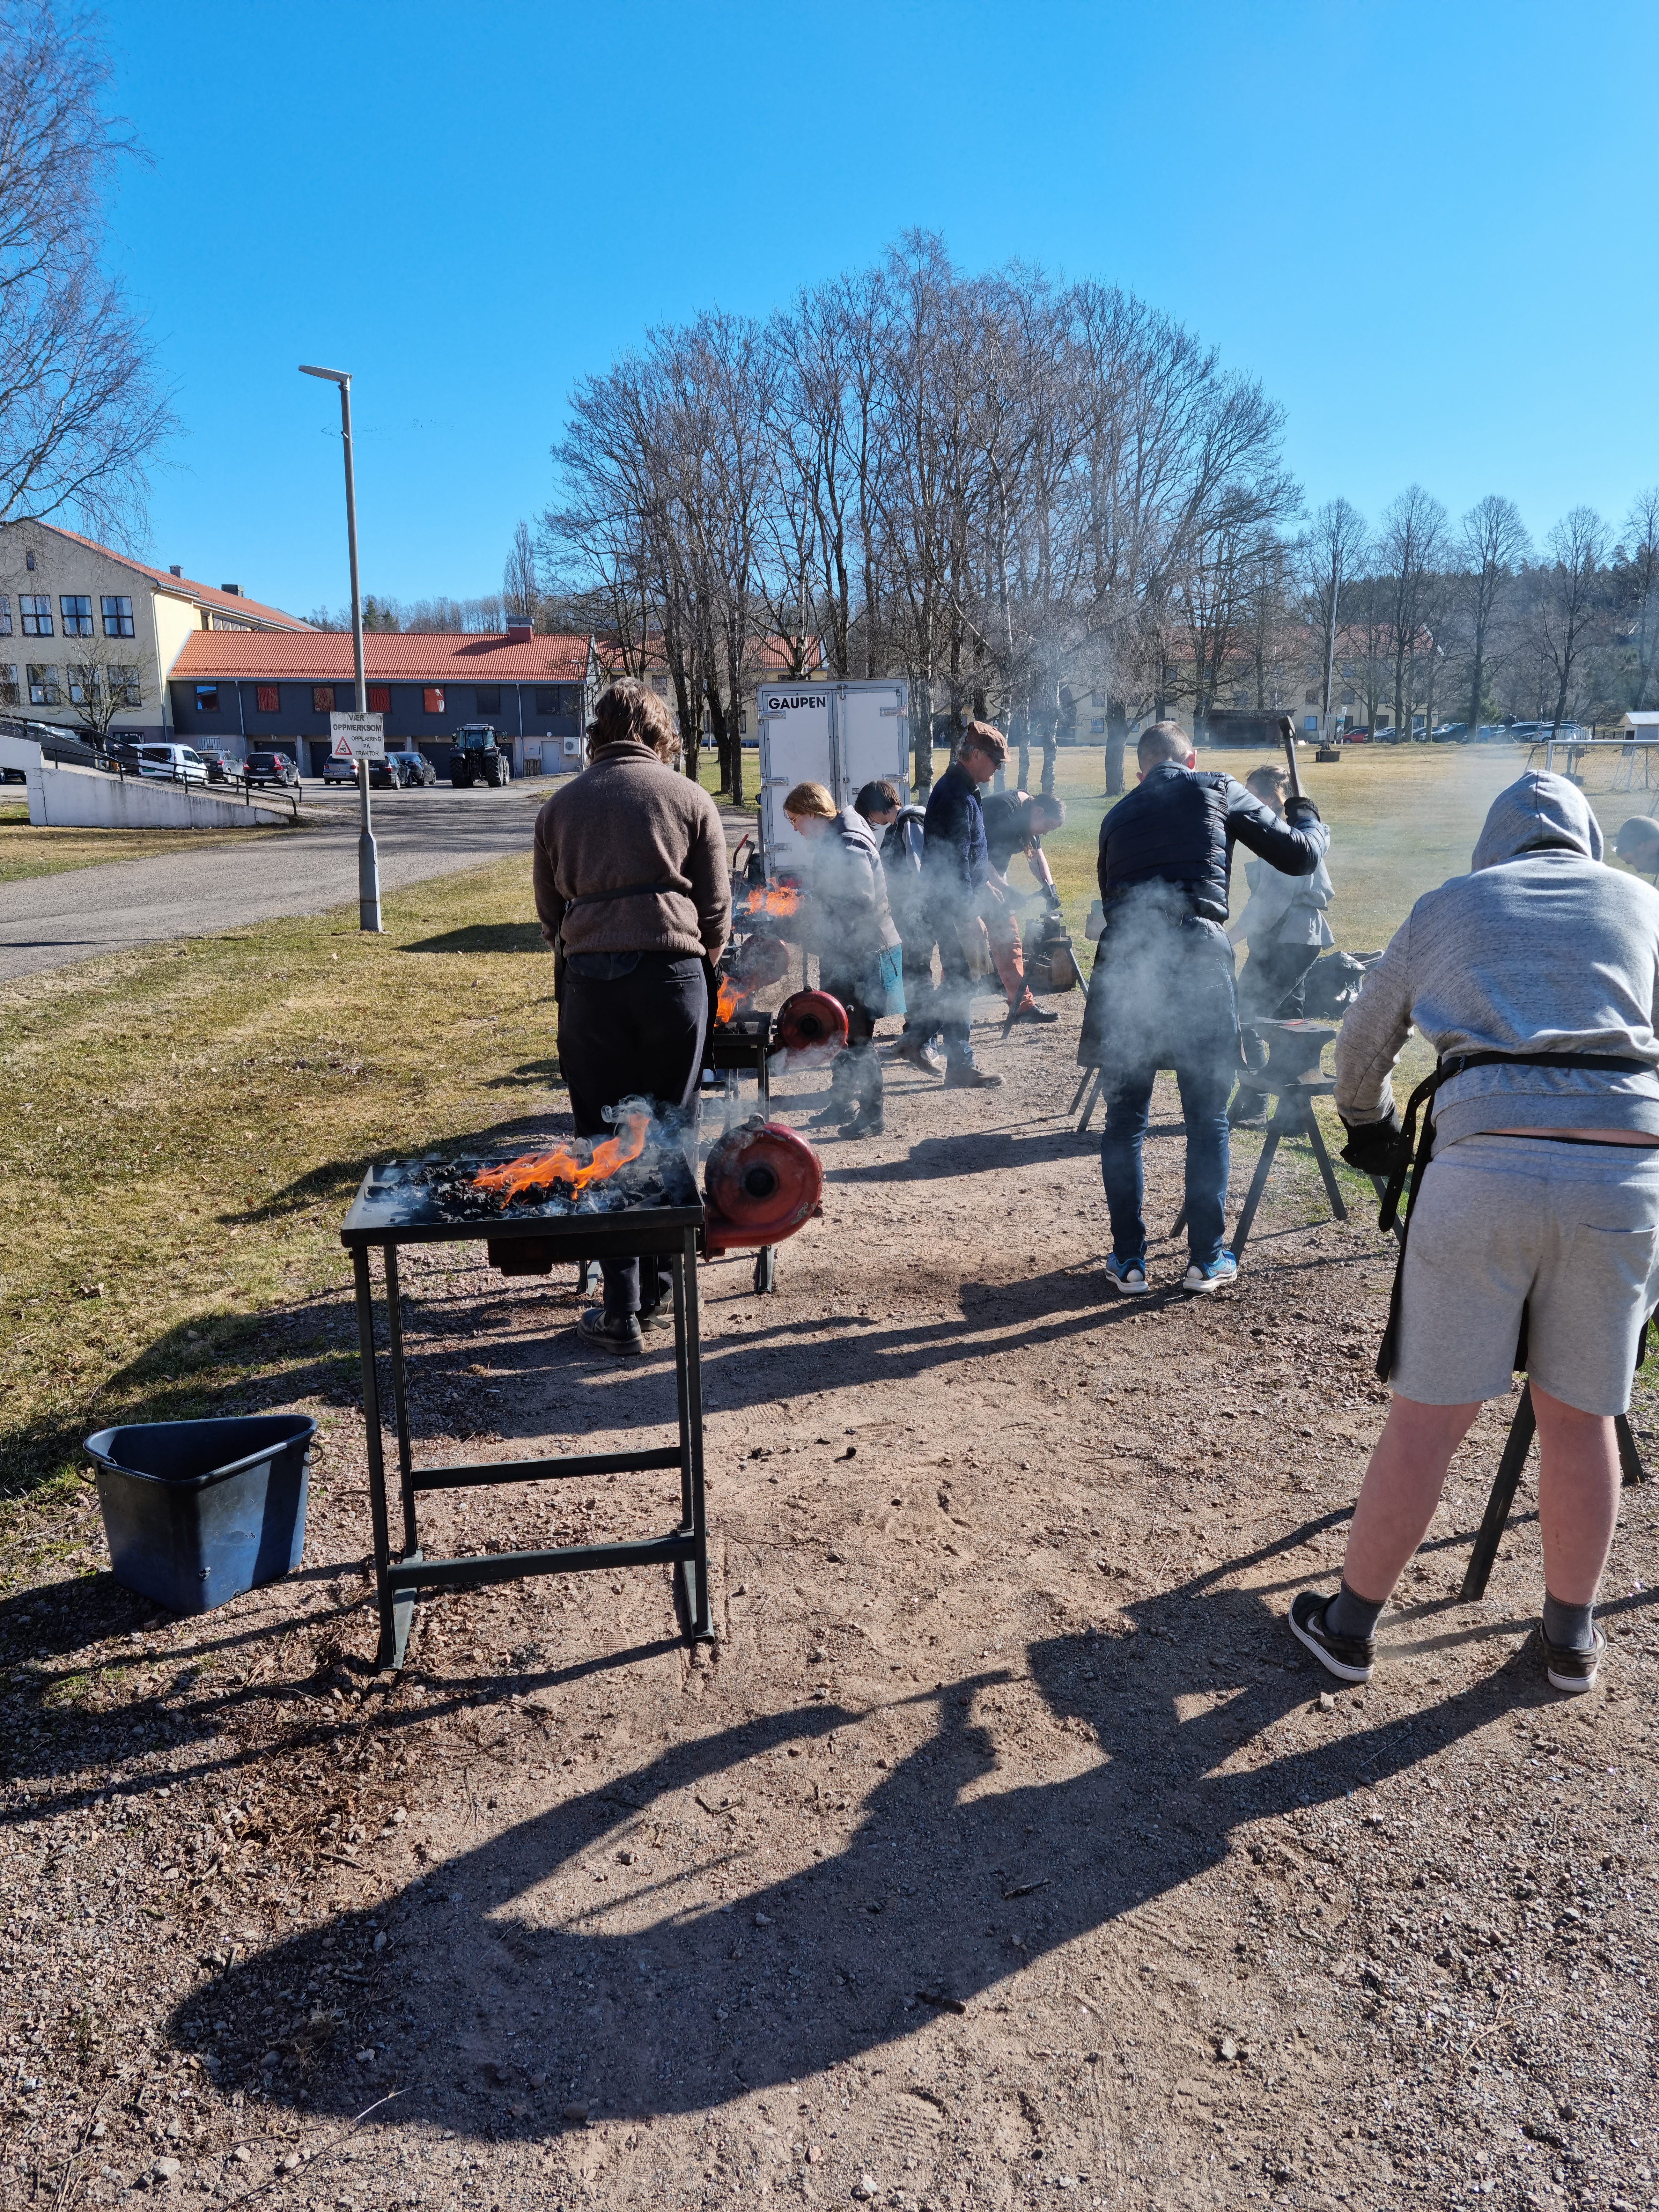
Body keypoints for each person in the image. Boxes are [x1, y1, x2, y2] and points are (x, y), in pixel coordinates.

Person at [1294, 771, 1659, 1696]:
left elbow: (1361, 1038)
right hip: (1620, 1179)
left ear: (1492, 850)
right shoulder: (1642, 903)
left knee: (1427, 1421)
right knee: (1583, 1420)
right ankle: (1569, 1641)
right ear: (1586, 844)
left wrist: (1369, 1123)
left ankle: (1348, 1629)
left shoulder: (1448, 904)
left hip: (1481, 1168)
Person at [1085, 720, 1328, 1294]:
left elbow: (1110, 898)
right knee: (1207, 1117)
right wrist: (1308, 815)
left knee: (1124, 1121)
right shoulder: (1216, 787)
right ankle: (1205, 1259)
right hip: (1197, 954)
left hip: (1126, 960)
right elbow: (1299, 859)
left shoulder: (1116, 815)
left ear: (1141, 770)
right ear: (1190, 759)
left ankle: (1128, 1261)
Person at [531, 679, 730, 1356]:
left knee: (604, 1142)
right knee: (671, 1132)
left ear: (599, 732)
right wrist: (702, 958)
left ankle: (621, 1311)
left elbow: (549, 910)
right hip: (673, 979)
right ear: (658, 732)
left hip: (591, 983)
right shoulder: (689, 797)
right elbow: (715, 911)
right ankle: (667, 1288)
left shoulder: (561, 805)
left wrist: (587, 940)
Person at [780, 780, 902, 1136]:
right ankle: (842, 1102)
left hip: (864, 953)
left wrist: (814, 915)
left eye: (794, 821)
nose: (795, 830)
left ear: (811, 814)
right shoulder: (835, 837)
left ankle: (873, 1115)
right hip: (847, 951)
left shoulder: (847, 841)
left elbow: (860, 901)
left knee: (859, 1035)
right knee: (838, 1030)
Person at [1225, 763, 1336, 1125]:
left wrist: (1231, 938)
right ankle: (1293, 1115)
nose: (1247, 803)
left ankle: (1256, 1104)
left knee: (1247, 1014)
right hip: (1296, 938)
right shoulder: (1303, 830)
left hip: (1288, 938)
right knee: (1290, 1021)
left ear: (1273, 796)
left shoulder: (1287, 835)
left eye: (1253, 795)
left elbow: (1272, 901)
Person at [920, 721, 1006, 1089]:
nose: (998, 769)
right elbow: (953, 863)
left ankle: (951, 1057)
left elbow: (971, 851)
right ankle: (924, 1042)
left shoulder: (964, 788)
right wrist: (971, 914)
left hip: (954, 903)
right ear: (975, 756)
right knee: (963, 981)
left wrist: (987, 884)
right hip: (954, 906)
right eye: (995, 762)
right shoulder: (956, 794)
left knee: (962, 980)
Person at [856, 778, 942, 1075]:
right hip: (906, 916)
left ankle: (927, 1041)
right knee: (909, 978)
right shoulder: (899, 826)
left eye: (871, 815)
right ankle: (912, 1035)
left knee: (921, 976)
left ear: (879, 809)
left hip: (917, 917)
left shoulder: (910, 821)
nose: (872, 822)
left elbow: (919, 871)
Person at [979, 789, 1067, 1024]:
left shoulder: (1030, 816)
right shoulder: (1004, 810)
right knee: (969, 945)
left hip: (993, 878)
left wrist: (1051, 888)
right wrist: (1006, 890)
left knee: (1009, 939)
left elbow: (1036, 857)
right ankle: (945, 1012)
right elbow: (977, 856)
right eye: (1047, 826)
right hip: (966, 877)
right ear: (1039, 811)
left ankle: (1022, 1006)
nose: (1045, 832)